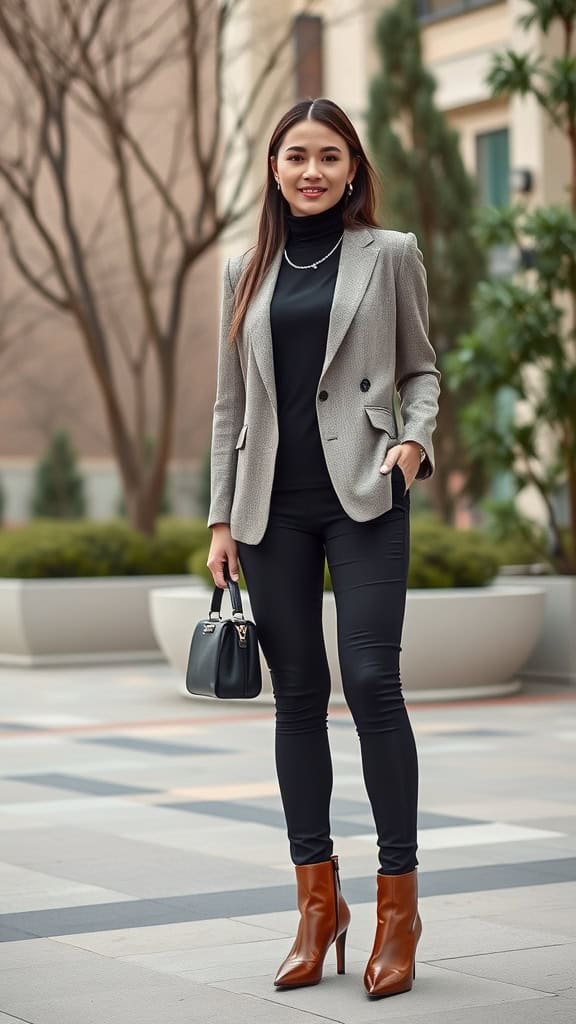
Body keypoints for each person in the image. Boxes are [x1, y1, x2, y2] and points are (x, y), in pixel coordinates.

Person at [207, 97, 440, 1000]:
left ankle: (398, 907)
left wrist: (414, 442)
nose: (312, 170)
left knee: (374, 680)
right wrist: (220, 520)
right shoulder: (242, 267)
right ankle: (317, 906)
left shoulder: (390, 255)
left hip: (368, 494)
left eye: (330, 157)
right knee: (297, 696)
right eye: (297, 155)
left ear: (353, 170)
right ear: (274, 167)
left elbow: (421, 366)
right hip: (272, 508)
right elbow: (230, 405)